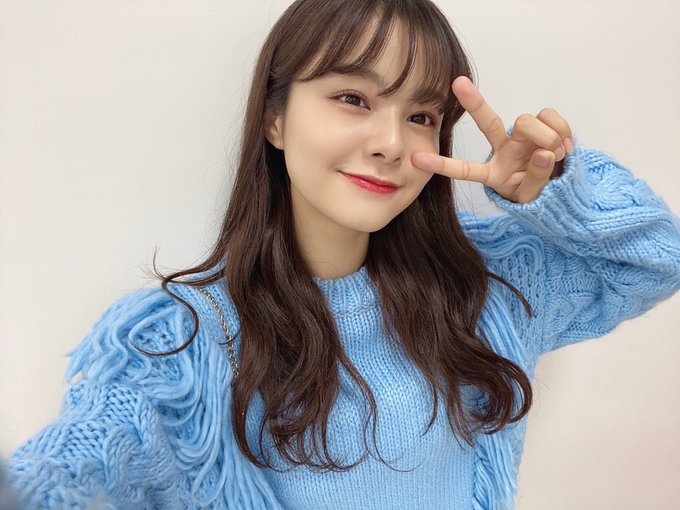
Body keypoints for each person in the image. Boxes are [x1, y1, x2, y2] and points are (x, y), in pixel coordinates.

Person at [5, 0, 680, 508]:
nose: (391, 143)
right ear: (274, 118)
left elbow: (655, 260)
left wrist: (552, 192)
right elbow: (65, 472)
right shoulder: (180, 345)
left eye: (420, 115)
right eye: (353, 98)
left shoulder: (481, 285)